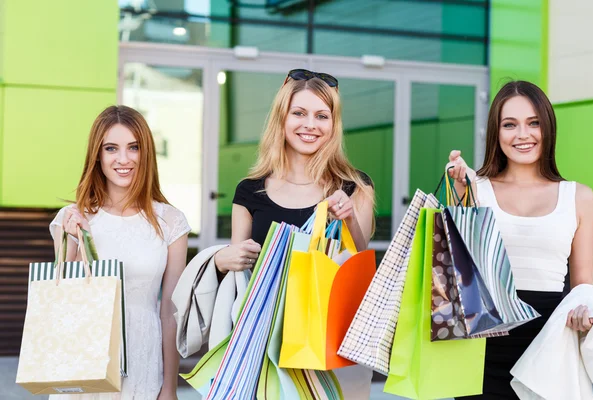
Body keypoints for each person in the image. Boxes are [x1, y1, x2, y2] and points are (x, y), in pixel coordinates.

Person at [213, 69, 375, 397]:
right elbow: (237, 273)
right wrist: (220, 259)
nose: (309, 125)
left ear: (333, 124)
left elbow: (358, 260)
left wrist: (348, 218)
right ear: (281, 119)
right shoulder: (249, 191)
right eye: (299, 113)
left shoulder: (354, 186)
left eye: (321, 116)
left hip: (328, 342)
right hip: (262, 343)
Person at [447, 81, 593, 399]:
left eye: (533, 123)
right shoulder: (475, 188)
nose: (522, 135)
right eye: (509, 124)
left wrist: (586, 312)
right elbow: (460, 276)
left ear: (548, 127)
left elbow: (581, 285)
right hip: (480, 348)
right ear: (495, 132)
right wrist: (459, 193)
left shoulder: (579, 196)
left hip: (550, 349)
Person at [50, 105, 190, 400]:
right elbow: (62, 298)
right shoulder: (72, 217)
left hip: (143, 360)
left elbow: (170, 311)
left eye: (133, 147)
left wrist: (169, 387)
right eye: (111, 148)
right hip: (84, 359)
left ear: (146, 153)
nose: (123, 159)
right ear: (97, 155)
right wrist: (77, 238)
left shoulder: (170, 221)